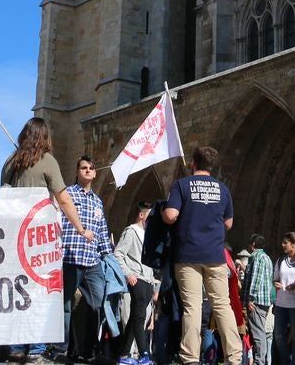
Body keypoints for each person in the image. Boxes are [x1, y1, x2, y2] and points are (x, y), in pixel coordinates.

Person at [1, 117, 93, 365]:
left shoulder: (10, 162)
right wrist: (81, 228)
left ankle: (16, 348)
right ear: (45, 138)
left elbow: (2, 196)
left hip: (14, 235)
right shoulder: (48, 161)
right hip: (39, 238)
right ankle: (37, 349)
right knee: (41, 292)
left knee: (17, 290)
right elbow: (63, 199)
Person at [163, 145, 240, 365]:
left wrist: (163, 211)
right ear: (210, 165)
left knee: (192, 307)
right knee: (222, 306)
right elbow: (228, 223)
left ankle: (190, 358)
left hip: (188, 255)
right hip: (215, 255)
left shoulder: (182, 185)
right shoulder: (222, 189)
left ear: (192, 164)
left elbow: (170, 215)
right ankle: (235, 357)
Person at [60, 156, 117, 362]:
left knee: (96, 304)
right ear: (77, 172)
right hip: (69, 257)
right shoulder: (66, 194)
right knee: (65, 305)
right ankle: (61, 350)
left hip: (92, 261)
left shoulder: (97, 201)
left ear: (95, 173)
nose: (87, 171)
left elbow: (102, 232)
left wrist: (109, 257)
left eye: (91, 168)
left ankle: (90, 351)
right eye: (83, 168)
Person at [115, 202, 158, 365]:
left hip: (148, 279)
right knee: (139, 317)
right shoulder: (131, 232)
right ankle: (144, 354)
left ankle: (124, 355)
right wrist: (128, 274)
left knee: (136, 317)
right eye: (149, 215)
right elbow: (118, 253)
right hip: (136, 278)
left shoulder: (149, 235)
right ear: (141, 215)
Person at [273, 232, 295, 365]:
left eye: (285, 242)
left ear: (293, 244)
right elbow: (275, 278)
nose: (283, 245)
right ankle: (286, 361)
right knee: (278, 335)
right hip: (281, 303)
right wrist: (276, 283)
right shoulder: (281, 260)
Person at [242, 234, 275, 365]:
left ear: (253, 245)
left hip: (257, 301)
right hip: (265, 301)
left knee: (258, 333)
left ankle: (259, 362)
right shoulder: (267, 258)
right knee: (260, 331)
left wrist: (251, 298)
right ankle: (260, 360)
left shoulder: (256, 257)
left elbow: (255, 279)